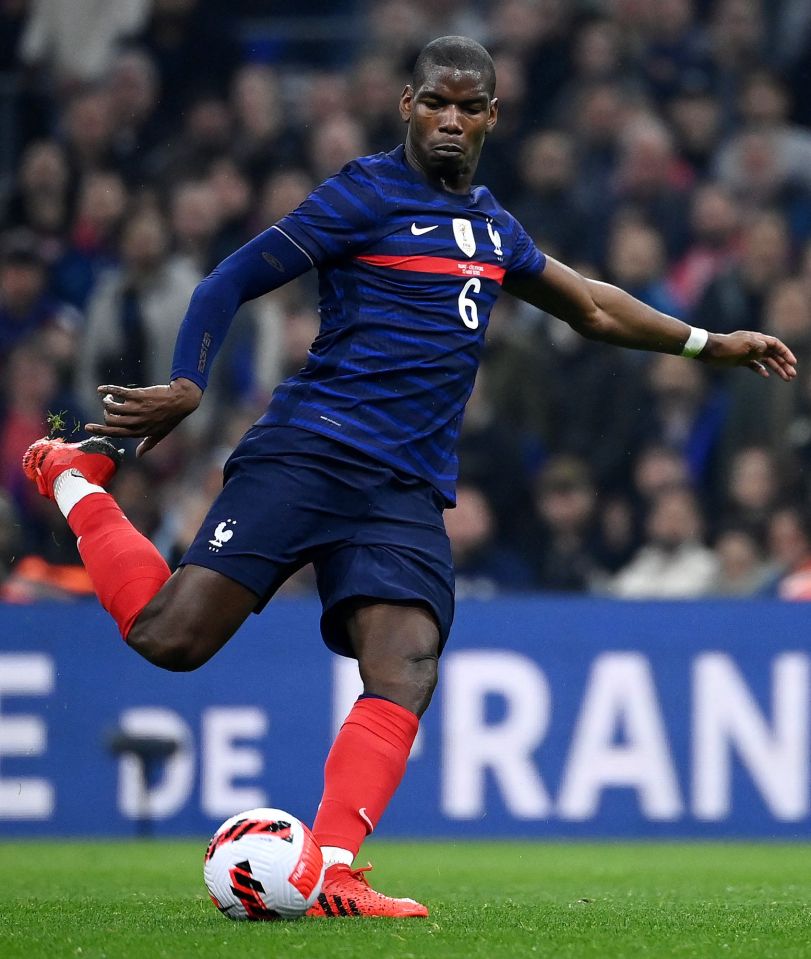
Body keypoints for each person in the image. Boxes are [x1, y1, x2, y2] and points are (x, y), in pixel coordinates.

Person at [22, 36, 796, 918]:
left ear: (494, 116)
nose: (451, 120)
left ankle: (337, 871)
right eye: (436, 102)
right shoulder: (362, 192)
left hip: (402, 488)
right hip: (311, 451)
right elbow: (228, 279)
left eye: (470, 107)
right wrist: (191, 383)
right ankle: (77, 477)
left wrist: (707, 342)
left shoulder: (493, 226)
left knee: (407, 665)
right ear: (406, 104)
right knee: (170, 640)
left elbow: (588, 302)